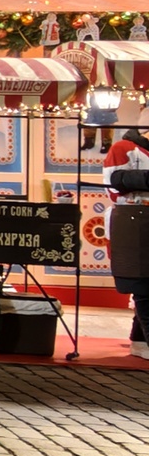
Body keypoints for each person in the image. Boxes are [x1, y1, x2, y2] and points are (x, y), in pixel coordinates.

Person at [104, 129, 149, 359]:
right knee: (142, 285)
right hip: (132, 221)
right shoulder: (123, 148)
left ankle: (139, 340)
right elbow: (112, 184)